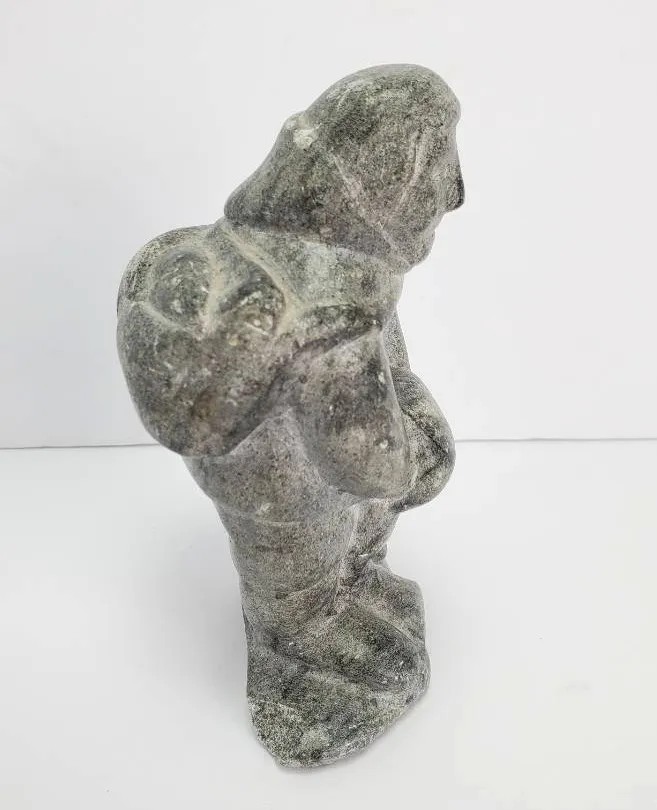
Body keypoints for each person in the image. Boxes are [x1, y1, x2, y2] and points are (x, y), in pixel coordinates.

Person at [117, 64, 464, 765]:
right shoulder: (332, 319)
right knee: (298, 595)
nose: (453, 193)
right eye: (438, 168)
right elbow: (368, 464)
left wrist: (402, 396)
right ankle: (299, 675)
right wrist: (423, 456)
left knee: (330, 560)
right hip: (292, 499)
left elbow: (385, 371)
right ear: (382, 190)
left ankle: (343, 600)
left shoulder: (264, 248)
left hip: (259, 486)